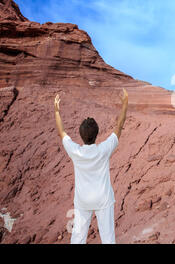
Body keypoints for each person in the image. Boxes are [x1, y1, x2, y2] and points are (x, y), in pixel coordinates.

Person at [54, 88, 128, 244]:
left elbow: (62, 133)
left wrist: (56, 111)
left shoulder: (76, 152)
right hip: (103, 199)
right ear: (97, 134)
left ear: (81, 135)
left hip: (83, 200)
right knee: (108, 238)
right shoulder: (103, 150)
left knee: (78, 237)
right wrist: (125, 103)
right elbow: (119, 126)